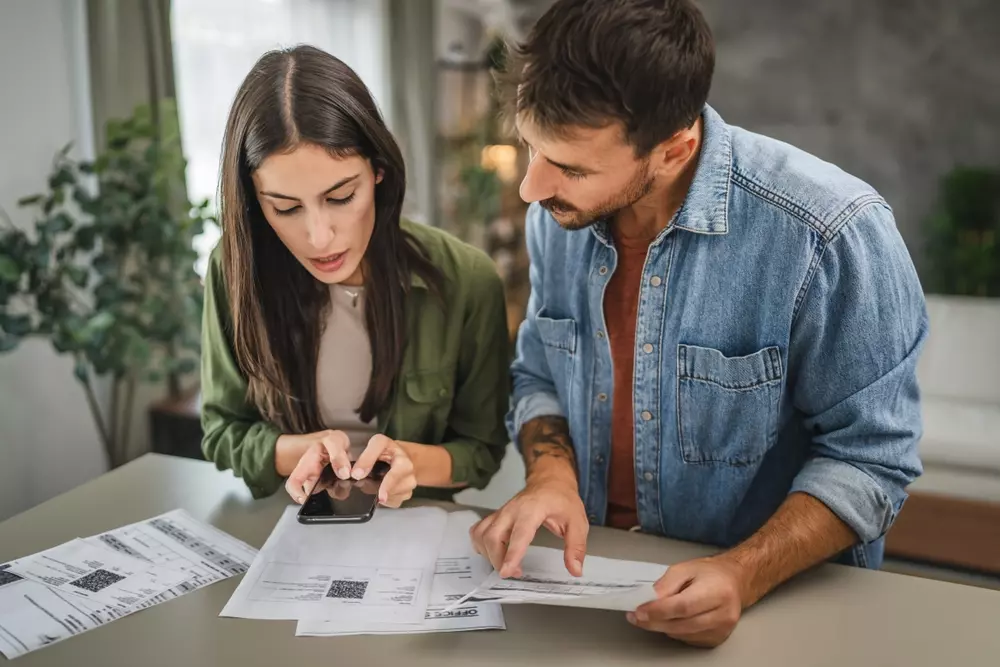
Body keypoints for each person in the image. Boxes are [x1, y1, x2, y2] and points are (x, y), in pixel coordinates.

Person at [470, 0, 927, 648]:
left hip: (779, 609)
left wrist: (741, 573)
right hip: (589, 591)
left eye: (569, 166)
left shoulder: (830, 235)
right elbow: (538, 370)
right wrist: (550, 475)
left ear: (674, 148)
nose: (531, 189)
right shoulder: (556, 212)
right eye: (531, 149)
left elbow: (872, 460)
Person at [200, 45, 510, 509]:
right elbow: (223, 430)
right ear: (254, 202)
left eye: (342, 196)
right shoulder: (234, 270)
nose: (319, 237)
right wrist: (296, 453)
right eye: (285, 208)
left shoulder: (467, 280)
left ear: (379, 171)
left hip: (417, 530)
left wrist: (408, 462)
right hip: (285, 527)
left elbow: (480, 452)